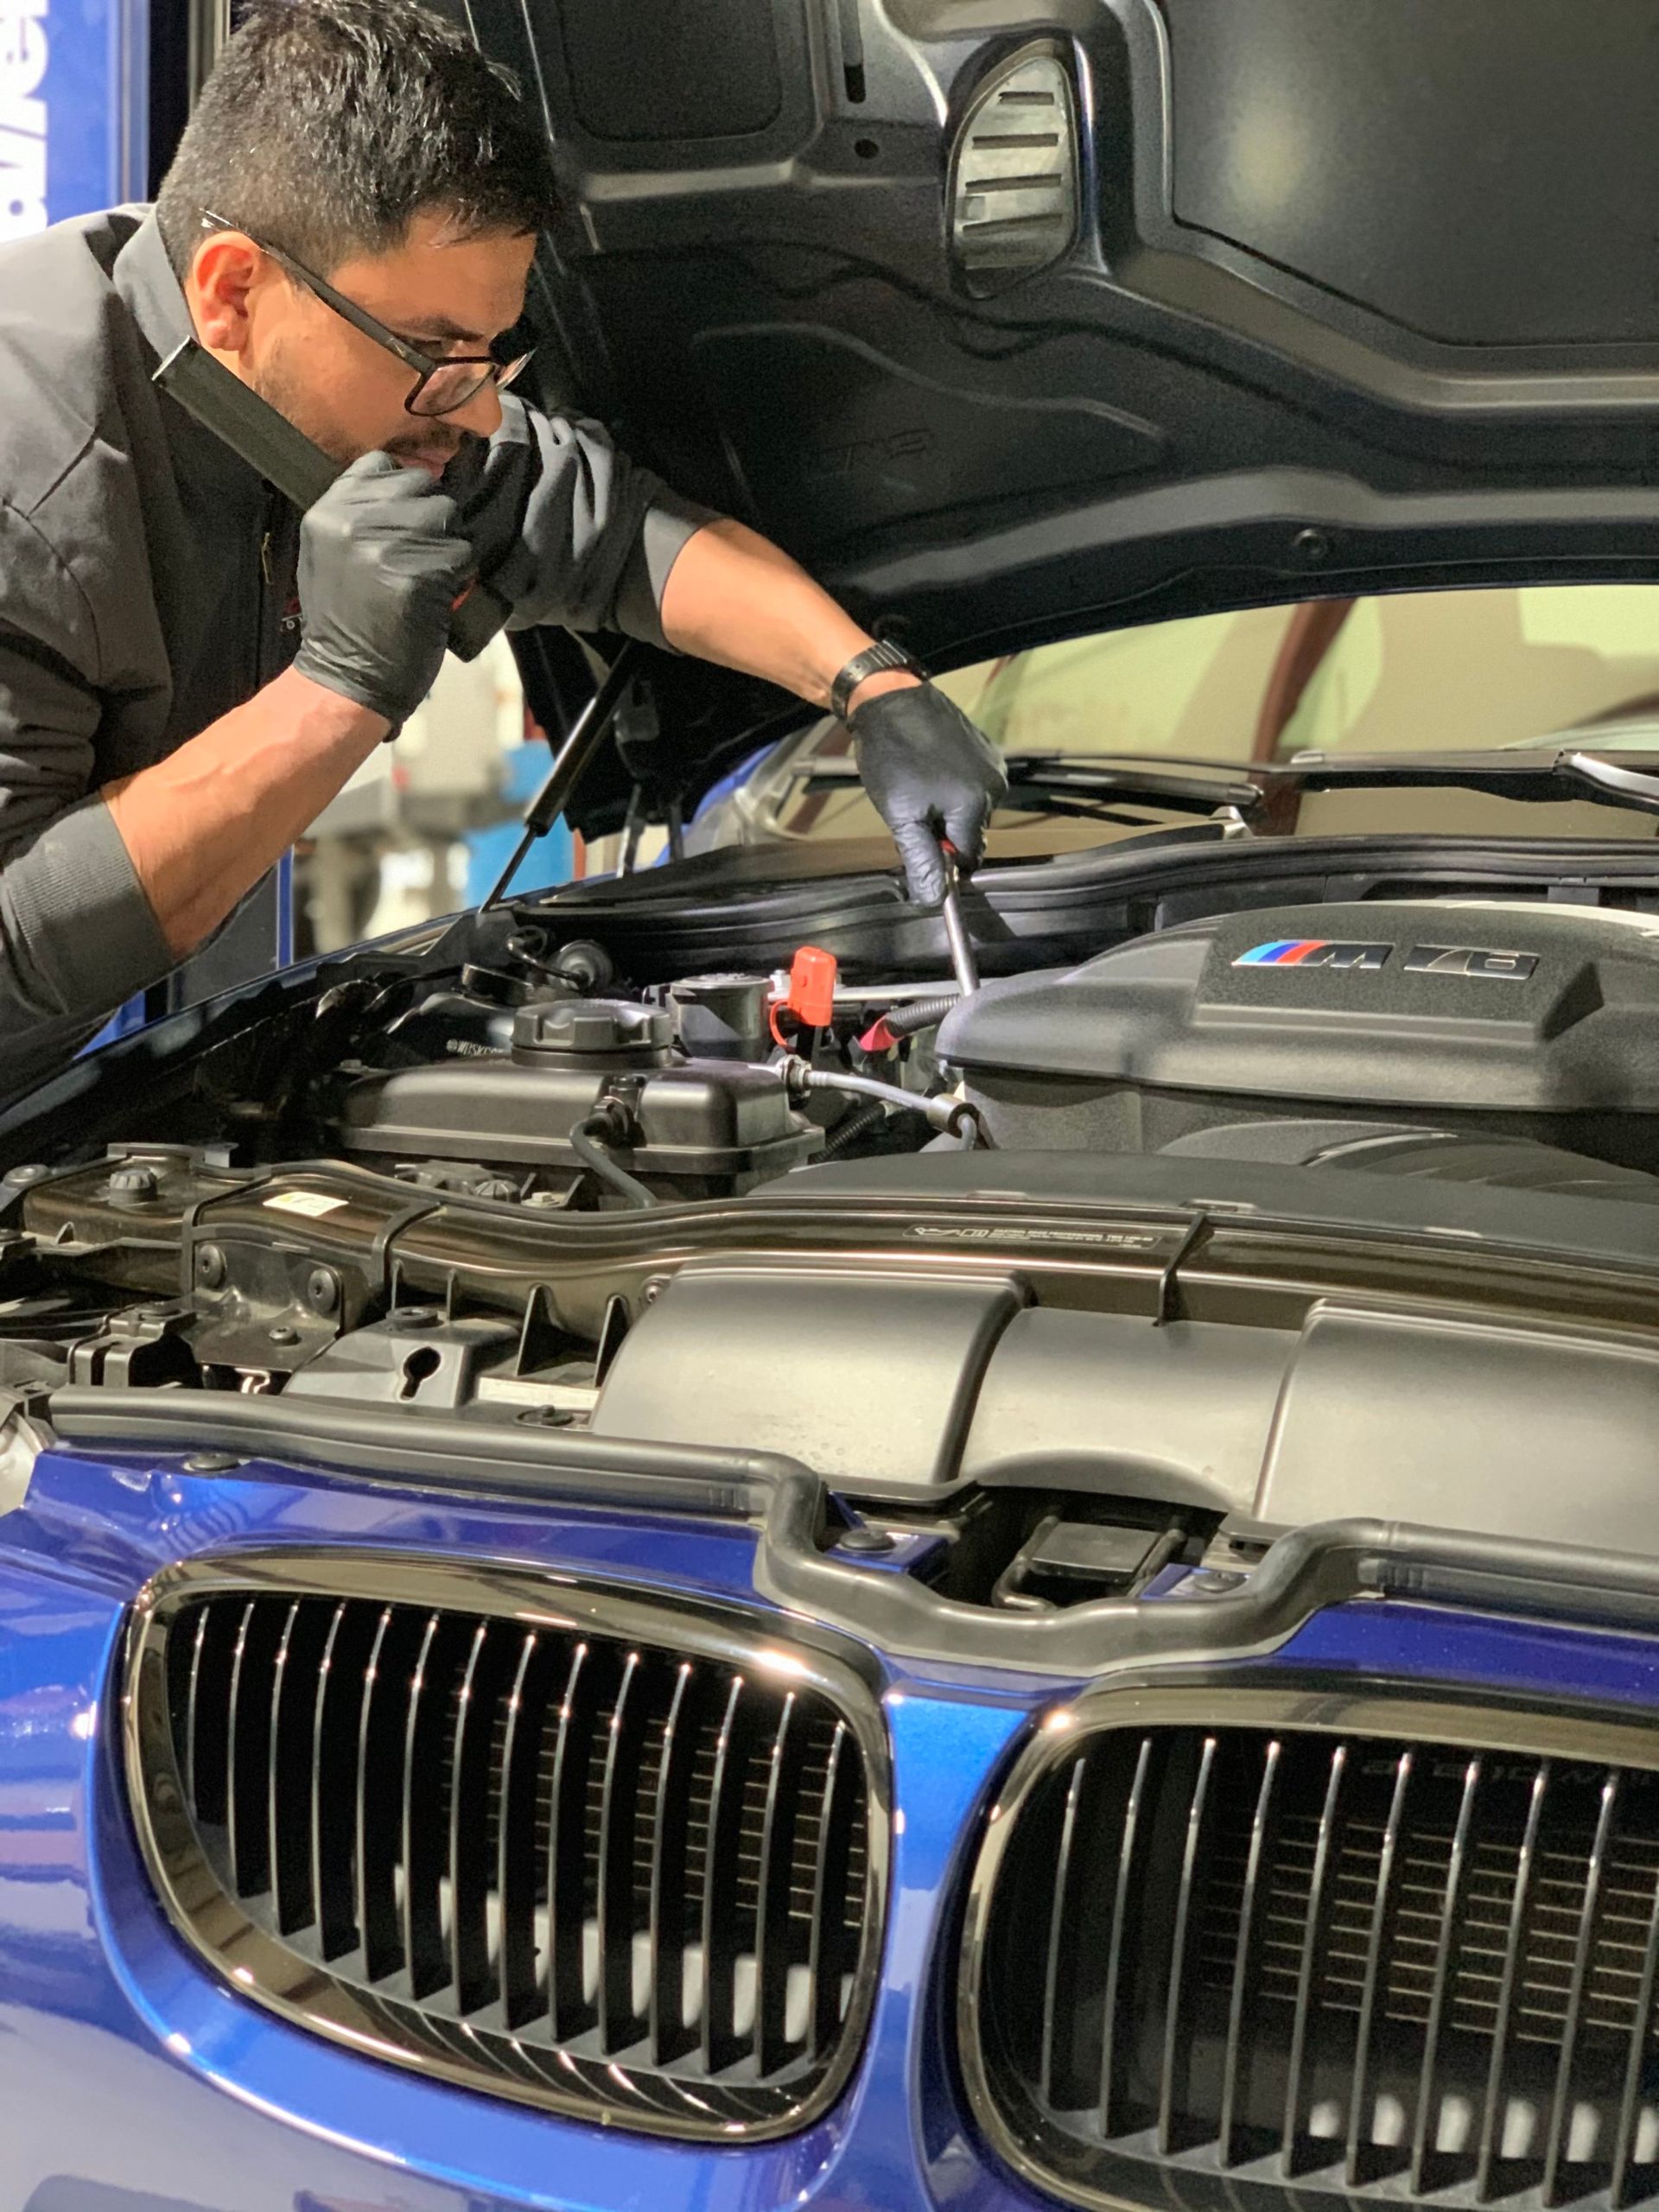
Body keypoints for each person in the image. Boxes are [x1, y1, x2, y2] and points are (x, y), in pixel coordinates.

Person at [0, 0, 1007, 1102]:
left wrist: (870, 683)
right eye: (434, 350)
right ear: (233, 291)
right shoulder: (29, 491)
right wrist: (334, 694)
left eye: (491, 353)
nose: (479, 413)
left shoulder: (335, 382)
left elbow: (613, 533)